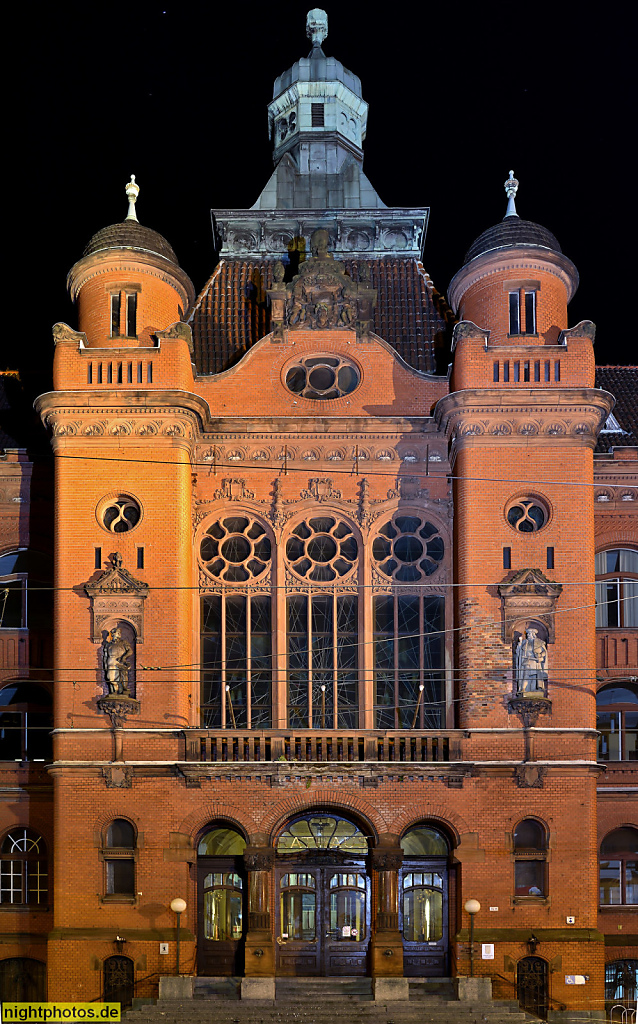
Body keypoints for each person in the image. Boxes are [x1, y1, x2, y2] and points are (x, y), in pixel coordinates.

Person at [515, 627, 548, 692]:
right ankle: (523, 688)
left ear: (533, 634)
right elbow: (519, 652)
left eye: (529, 634)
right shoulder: (524, 642)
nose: (528, 635)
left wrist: (540, 655)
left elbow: (544, 652)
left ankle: (534, 690)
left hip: (535, 661)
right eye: (527, 634)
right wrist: (519, 645)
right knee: (526, 674)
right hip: (527, 660)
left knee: (534, 676)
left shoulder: (539, 642)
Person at [102, 626, 132, 695]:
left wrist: (124, 657)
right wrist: (105, 666)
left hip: (119, 662)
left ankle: (119, 691)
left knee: (121, 677)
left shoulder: (123, 643)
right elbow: (105, 657)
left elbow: (130, 651)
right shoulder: (108, 645)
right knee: (110, 678)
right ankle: (114, 690)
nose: (114, 635)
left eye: (116, 633)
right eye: (113, 633)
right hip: (110, 662)